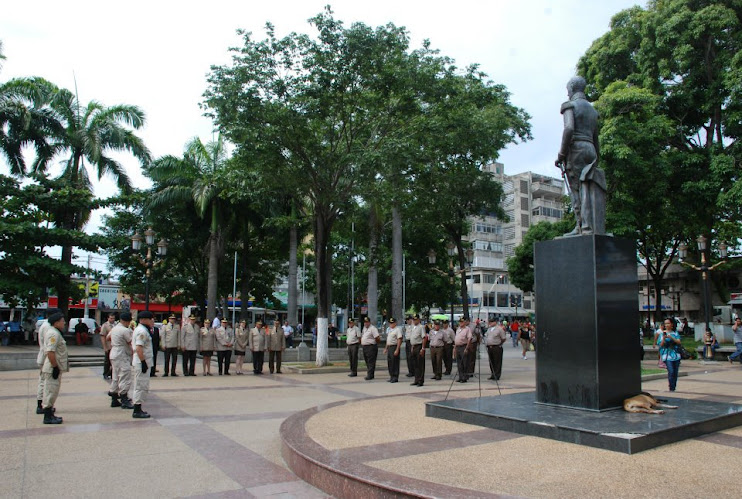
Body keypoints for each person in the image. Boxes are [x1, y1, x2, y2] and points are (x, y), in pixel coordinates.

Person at [555, 75, 605, 235]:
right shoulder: (592, 110)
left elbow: (569, 128)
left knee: (576, 188)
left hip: (576, 149)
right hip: (590, 148)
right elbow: (596, 137)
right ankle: (587, 226)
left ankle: (582, 226)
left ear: (571, 89)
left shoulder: (570, 106)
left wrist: (561, 154)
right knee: (587, 187)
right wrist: (596, 155)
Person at [40, 312, 68, 424]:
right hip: (52, 367)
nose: (64, 323)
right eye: (62, 321)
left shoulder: (55, 332)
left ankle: (50, 413)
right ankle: (47, 416)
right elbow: (50, 352)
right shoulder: (53, 334)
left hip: (53, 366)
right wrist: (55, 366)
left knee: (52, 390)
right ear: (56, 322)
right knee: (50, 391)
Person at [34, 309, 60, 415]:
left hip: (45, 356)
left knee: (44, 381)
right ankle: (42, 405)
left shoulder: (46, 326)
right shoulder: (48, 327)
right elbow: (49, 347)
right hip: (46, 357)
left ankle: (43, 404)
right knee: (45, 382)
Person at [108, 311, 134, 410]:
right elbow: (130, 342)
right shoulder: (125, 330)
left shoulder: (114, 328)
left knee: (115, 375)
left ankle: (114, 398)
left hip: (114, 352)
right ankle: (124, 398)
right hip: (122, 353)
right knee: (125, 375)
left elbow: (107, 337)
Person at [131, 311, 154, 419]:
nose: (152, 321)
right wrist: (143, 362)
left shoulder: (142, 329)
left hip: (141, 361)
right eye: (150, 319)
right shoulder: (142, 331)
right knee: (140, 386)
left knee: (141, 385)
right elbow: (139, 347)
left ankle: (138, 407)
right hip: (141, 362)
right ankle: (137, 410)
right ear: (144, 319)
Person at [658, 318, 681, 391]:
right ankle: (671, 387)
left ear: (672, 324)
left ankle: (673, 386)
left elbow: (679, 342)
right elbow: (660, 345)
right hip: (667, 355)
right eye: (665, 324)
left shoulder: (675, 333)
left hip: (676, 355)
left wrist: (671, 337)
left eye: (668, 323)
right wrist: (664, 339)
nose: (666, 325)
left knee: (675, 372)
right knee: (671, 371)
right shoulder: (662, 334)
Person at [408, 314, 427, 386]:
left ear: (419, 320)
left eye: (415, 319)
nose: (414, 321)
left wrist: (423, 348)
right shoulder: (413, 327)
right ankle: (416, 379)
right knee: (415, 365)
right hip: (414, 346)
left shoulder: (421, 327)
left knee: (420, 365)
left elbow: (424, 338)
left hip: (419, 346)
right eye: (413, 319)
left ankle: (420, 381)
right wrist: (412, 347)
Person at [384, 318, 403, 383]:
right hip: (389, 347)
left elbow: (399, 339)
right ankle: (391, 376)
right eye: (390, 323)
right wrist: (386, 348)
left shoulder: (397, 330)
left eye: (392, 323)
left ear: (395, 323)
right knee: (390, 363)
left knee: (395, 362)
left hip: (394, 347)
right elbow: (388, 340)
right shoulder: (389, 330)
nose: (391, 324)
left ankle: (395, 376)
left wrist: (397, 349)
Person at [454, 318, 472, 382]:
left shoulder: (467, 329)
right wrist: (455, 348)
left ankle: (464, 377)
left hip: (463, 346)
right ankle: (460, 377)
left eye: (462, 322)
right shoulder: (458, 329)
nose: (460, 323)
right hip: (458, 347)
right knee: (459, 363)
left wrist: (466, 348)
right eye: (460, 322)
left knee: (464, 362)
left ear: (464, 322)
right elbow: (456, 338)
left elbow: (469, 339)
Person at [100, 313, 116, 380]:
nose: (112, 320)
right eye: (111, 318)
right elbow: (103, 336)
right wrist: (105, 347)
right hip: (108, 345)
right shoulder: (105, 325)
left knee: (114, 361)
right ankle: (105, 373)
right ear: (108, 318)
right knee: (107, 361)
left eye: (113, 318)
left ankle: (112, 374)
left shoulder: (116, 325)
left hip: (115, 346)